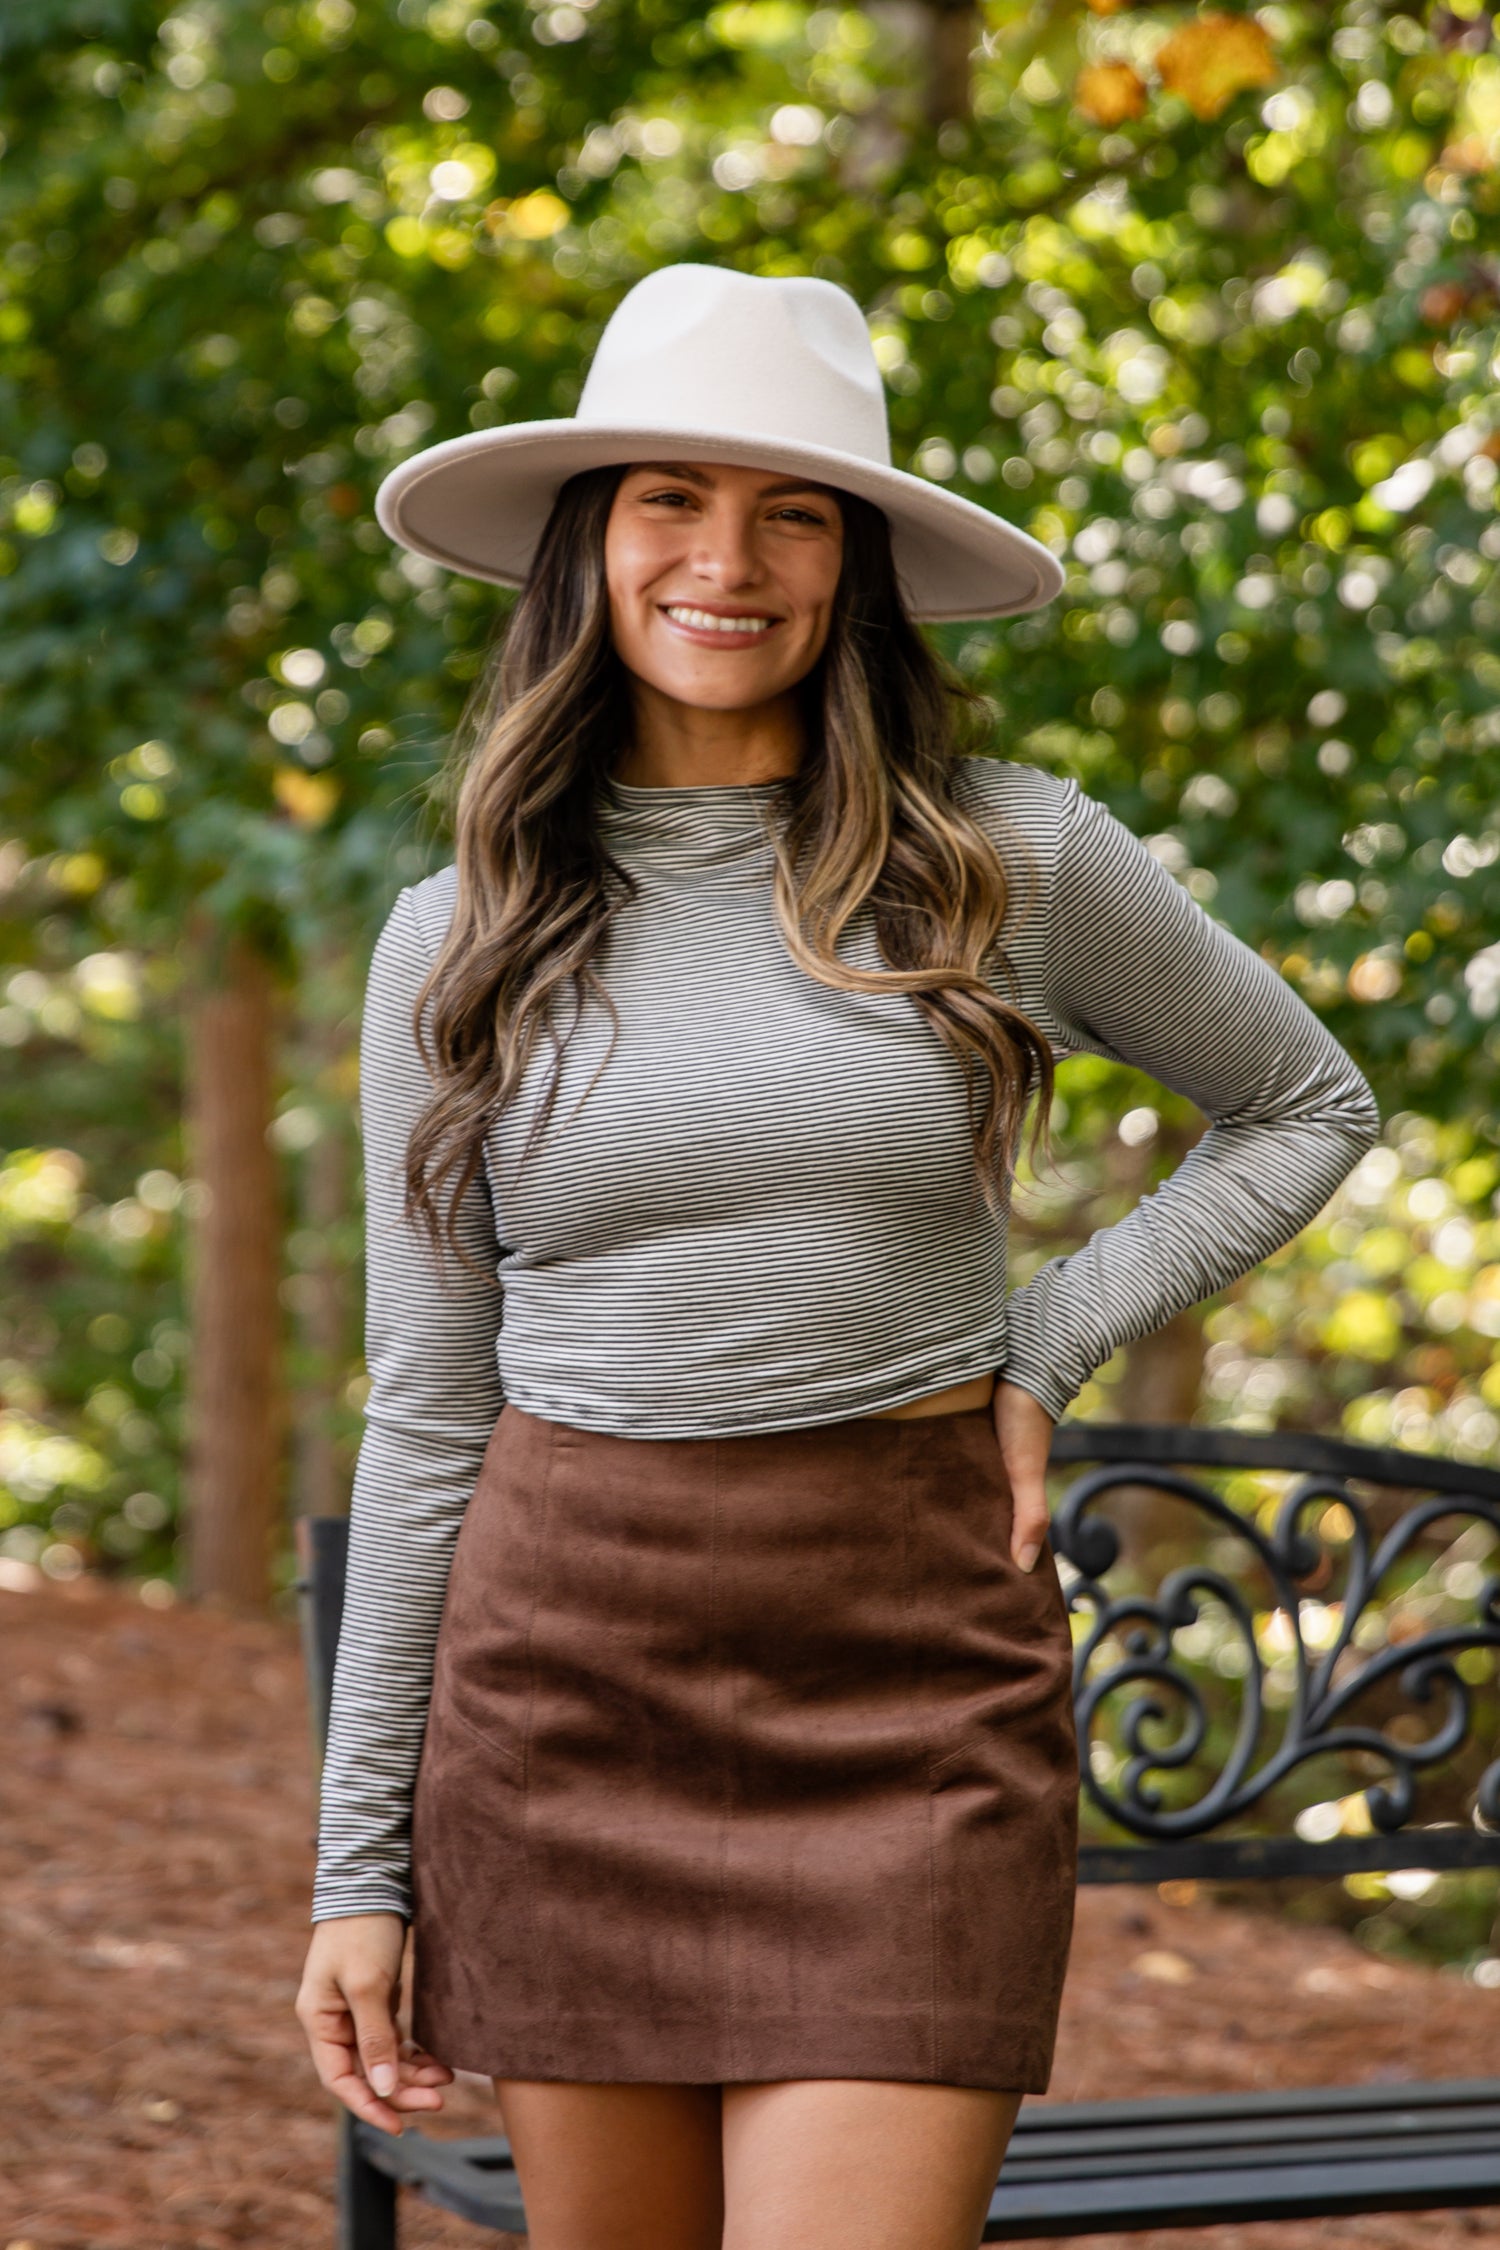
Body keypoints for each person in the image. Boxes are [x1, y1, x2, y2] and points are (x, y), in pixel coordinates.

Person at [295, 263, 1379, 2250]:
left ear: (857, 565)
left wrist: (1046, 1340)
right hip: (562, 1690)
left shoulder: (1007, 855)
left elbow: (1306, 1102)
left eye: (792, 513)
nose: (728, 562)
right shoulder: (456, 931)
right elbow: (432, 1405)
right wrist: (356, 1874)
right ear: (587, 540)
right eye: (671, 500)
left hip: (911, 1684)